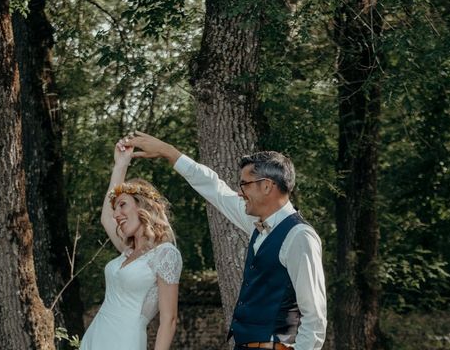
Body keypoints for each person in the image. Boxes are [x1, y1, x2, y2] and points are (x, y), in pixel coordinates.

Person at [126, 131, 327, 350]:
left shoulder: (299, 236)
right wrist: (169, 153)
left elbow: (315, 318)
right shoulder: (256, 223)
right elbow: (214, 188)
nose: (240, 193)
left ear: (267, 186)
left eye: (244, 184)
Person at [79, 138, 182, 350]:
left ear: (142, 207)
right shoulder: (127, 251)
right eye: (115, 209)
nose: (116, 215)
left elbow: (169, 321)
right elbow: (106, 218)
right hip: (95, 337)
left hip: (125, 341)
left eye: (122, 205)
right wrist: (121, 164)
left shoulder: (165, 254)